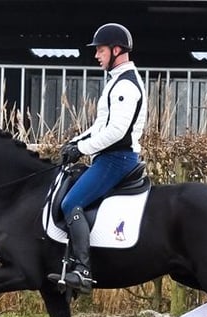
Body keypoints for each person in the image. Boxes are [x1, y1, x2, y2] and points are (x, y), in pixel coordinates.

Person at [58, 22, 147, 293]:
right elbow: (100, 126)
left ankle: (83, 270)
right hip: (109, 158)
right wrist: (76, 142)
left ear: (116, 50)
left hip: (117, 159)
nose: (96, 55)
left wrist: (82, 150)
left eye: (100, 50)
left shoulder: (126, 86)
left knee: (71, 202)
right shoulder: (117, 82)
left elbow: (116, 131)